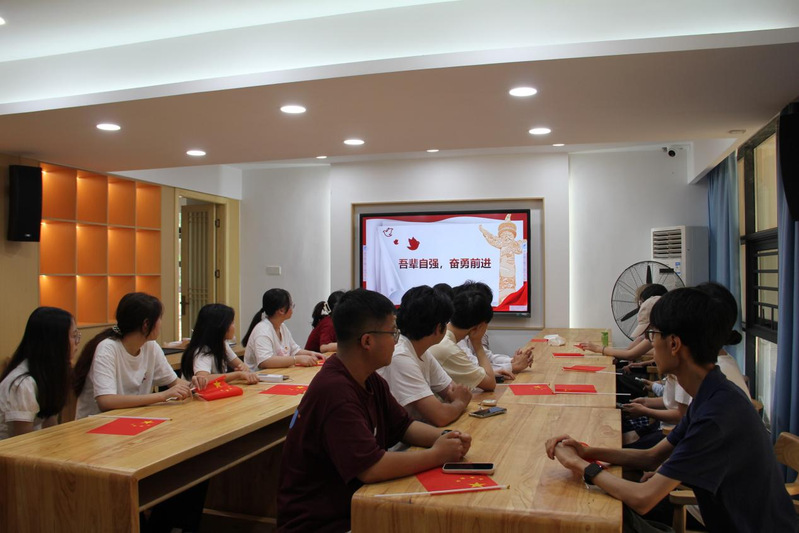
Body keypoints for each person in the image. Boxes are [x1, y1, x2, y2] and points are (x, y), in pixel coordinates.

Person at [545, 288, 798, 532]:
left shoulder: (716, 415)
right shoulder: (712, 393)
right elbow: (651, 456)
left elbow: (644, 498)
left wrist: (579, 464)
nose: (650, 344)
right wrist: (587, 452)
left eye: (653, 335)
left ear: (674, 343)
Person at [277, 289, 472, 533]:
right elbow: (371, 468)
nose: (396, 341)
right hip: (323, 524)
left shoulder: (369, 379)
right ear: (367, 341)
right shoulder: (335, 391)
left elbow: (404, 426)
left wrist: (447, 438)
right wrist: (437, 455)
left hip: (356, 506)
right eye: (393, 333)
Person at [74, 292, 194, 419]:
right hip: (97, 423)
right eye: (159, 318)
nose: (161, 323)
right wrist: (162, 396)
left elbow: (174, 382)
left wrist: (195, 385)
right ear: (146, 324)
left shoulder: (151, 346)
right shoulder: (107, 349)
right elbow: (106, 401)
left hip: (131, 418)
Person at [377, 285, 472, 426]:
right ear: (438, 328)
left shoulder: (422, 351)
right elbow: (441, 416)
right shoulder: (400, 356)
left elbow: (452, 391)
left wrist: (455, 401)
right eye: (446, 323)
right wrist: (460, 402)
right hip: (396, 438)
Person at [0, 307, 77, 440]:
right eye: (73, 336)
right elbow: (23, 442)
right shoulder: (23, 384)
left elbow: (51, 425)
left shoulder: (47, 372)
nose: (77, 342)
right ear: (55, 342)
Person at [428, 282, 497, 391]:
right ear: (479, 327)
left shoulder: (443, 336)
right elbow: (490, 384)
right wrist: (477, 344)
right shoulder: (447, 347)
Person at [243, 289, 324, 370]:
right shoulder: (262, 330)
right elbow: (265, 361)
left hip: (279, 373)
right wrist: (296, 359)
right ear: (281, 310)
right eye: (291, 305)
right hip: (260, 376)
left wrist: (311, 354)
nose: (292, 307)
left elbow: (294, 350)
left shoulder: (282, 327)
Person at [180, 303, 258, 384]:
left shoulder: (222, 344)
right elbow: (203, 378)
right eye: (232, 323)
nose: (234, 326)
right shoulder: (202, 352)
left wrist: (243, 369)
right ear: (220, 326)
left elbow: (240, 365)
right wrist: (238, 374)